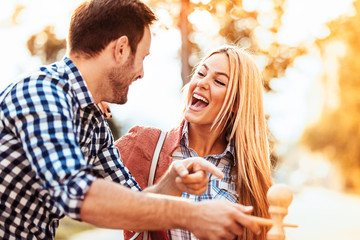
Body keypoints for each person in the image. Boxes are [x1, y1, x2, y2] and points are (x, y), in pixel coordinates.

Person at [0, 1, 264, 239]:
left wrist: (171, 182)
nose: (142, 73)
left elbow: (134, 209)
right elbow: (78, 194)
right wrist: (192, 214)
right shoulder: (41, 94)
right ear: (122, 49)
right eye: (143, 58)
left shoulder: (93, 123)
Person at [116, 45, 273, 240]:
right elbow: (81, 186)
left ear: (235, 104)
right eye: (200, 73)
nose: (202, 83)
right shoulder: (145, 144)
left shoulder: (247, 179)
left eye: (219, 81)